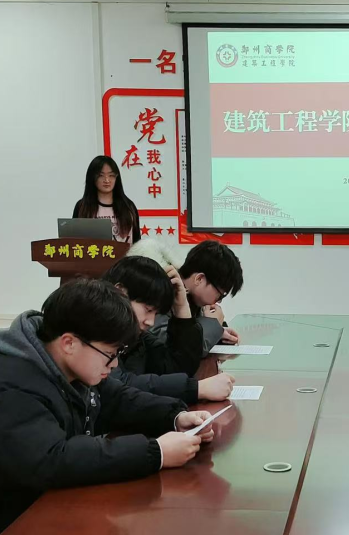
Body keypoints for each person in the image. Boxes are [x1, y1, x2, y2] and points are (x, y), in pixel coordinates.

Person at [0, 279, 215, 535]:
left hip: (23, 513)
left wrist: (175, 416)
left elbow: (117, 399)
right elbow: (52, 459)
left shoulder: (62, 364)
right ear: (69, 343)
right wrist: (155, 452)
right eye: (109, 355)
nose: (114, 365)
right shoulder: (5, 383)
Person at [104, 255, 236, 404]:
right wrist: (196, 389)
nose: (151, 322)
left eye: (155, 313)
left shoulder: (138, 338)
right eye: (148, 309)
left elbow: (177, 367)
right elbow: (118, 386)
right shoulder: (94, 329)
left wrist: (181, 307)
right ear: (121, 292)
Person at [118, 238, 245, 378]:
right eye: (220, 294)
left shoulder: (194, 301)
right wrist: (211, 325)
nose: (219, 301)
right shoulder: (166, 291)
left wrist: (219, 332)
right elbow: (168, 349)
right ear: (199, 279)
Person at [73, 155, 140, 244]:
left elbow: (137, 242)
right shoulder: (82, 206)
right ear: (92, 177)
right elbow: (74, 242)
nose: (107, 180)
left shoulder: (128, 206)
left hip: (125, 253)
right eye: (101, 175)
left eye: (111, 175)